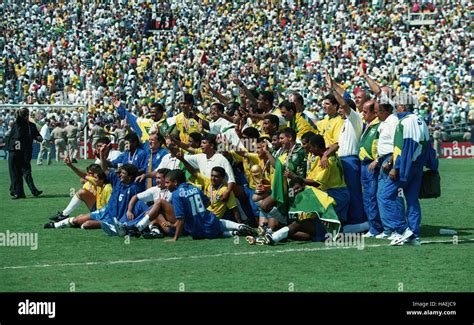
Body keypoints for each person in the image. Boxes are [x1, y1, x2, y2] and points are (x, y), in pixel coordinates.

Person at [118, 170, 254, 241]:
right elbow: (207, 203)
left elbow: (181, 219)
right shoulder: (195, 188)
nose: (165, 185)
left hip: (194, 229)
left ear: (175, 183)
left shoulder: (177, 194)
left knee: (159, 203)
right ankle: (237, 229)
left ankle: (138, 227)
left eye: (167, 183)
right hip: (209, 222)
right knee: (217, 224)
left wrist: (175, 237)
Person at [382, 95, 439, 246]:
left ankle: (403, 230)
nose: (396, 108)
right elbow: (428, 148)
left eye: (399, 105)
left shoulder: (406, 121)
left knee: (386, 196)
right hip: (417, 168)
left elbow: (406, 148)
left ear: (404, 107)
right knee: (412, 201)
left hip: (406, 167)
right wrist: (433, 166)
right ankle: (414, 235)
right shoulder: (422, 122)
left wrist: (397, 167)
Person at [44, 159, 112, 229]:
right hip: (98, 212)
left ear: (102, 179)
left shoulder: (108, 188)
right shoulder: (97, 183)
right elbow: (84, 176)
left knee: (85, 224)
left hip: (103, 215)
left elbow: (111, 208)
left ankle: (58, 223)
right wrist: (70, 165)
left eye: (95, 177)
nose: (93, 179)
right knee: (81, 220)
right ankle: (58, 223)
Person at [6, 108, 43, 199]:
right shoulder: (22, 125)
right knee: (20, 172)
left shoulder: (22, 125)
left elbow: (37, 136)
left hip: (22, 151)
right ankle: (17, 190)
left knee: (19, 171)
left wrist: (40, 138)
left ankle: (18, 191)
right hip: (21, 151)